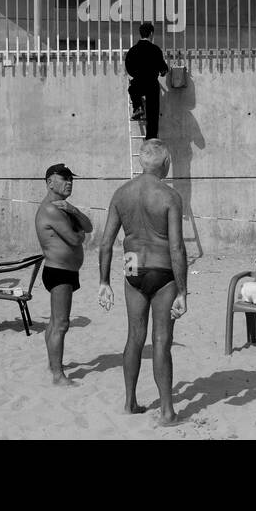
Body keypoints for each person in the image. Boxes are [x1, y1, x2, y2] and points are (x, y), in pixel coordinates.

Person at [98, 139, 187, 425]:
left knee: (134, 337)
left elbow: (105, 243)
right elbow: (177, 248)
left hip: (132, 268)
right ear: (164, 163)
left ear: (141, 162)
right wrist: (183, 291)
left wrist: (104, 282)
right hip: (162, 269)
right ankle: (167, 412)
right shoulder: (170, 196)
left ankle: (129, 402)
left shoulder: (121, 194)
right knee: (161, 341)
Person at [34, 163, 92, 385]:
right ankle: (58, 376)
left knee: (54, 322)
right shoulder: (51, 209)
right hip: (59, 271)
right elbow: (77, 238)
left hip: (63, 270)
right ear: (50, 182)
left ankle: (53, 365)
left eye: (71, 179)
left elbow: (88, 227)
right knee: (61, 324)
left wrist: (74, 210)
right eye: (64, 178)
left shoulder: (62, 207)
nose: (69, 182)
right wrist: (77, 229)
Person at [125, 22, 169, 139]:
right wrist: (163, 71)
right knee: (153, 115)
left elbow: (129, 69)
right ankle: (151, 140)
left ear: (140, 34)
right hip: (152, 84)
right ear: (151, 33)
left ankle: (138, 106)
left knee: (132, 88)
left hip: (138, 82)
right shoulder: (155, 50)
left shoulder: (133, 50)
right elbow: (163, 69)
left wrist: (136, 75)